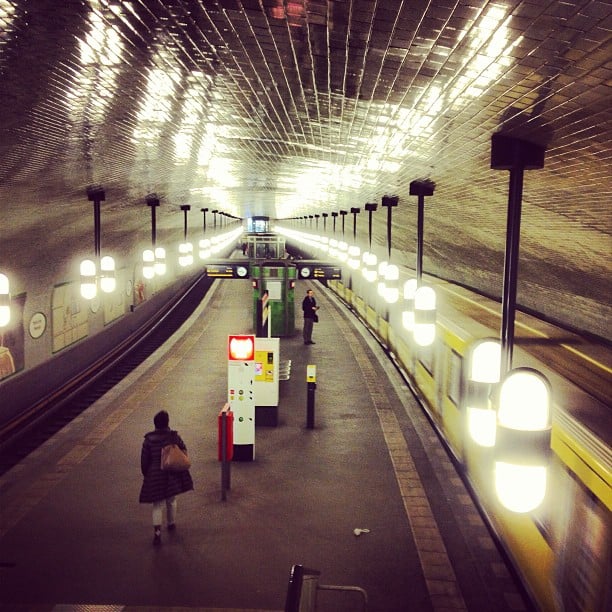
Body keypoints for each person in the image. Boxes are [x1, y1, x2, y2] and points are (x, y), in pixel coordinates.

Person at [139, 410, 194, 545]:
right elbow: (184, 450)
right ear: (167, 423)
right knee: (171, 499)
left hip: (154, 474)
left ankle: (157, 532)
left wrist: (146, 474)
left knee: (157, 504)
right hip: (171, 474)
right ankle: (171, 523)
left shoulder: (148, 440)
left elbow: (144, 460)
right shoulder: (174, 437)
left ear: (155, 424)